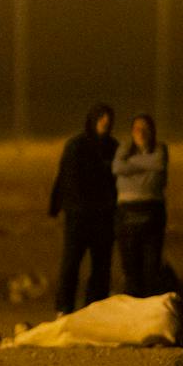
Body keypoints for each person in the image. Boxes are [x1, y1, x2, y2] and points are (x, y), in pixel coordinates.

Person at [48, 103, 117, 313]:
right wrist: (58, 205)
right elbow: (65, 178)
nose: (105, 121)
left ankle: (95, 308)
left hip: (104, 217)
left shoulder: (113, 147)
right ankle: (64, 307)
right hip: (78, 215)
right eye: (101, 117)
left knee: (101, 265)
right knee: (71, 263)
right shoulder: (76, 145)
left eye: (108, 118)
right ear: (93, 120)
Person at [112, 114, 169, 297]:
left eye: (145, 128)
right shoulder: (124, 149)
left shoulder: (160, 149)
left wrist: (131, 166)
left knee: (151, 267)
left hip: (152, 210)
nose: (141, 133)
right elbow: (117, 167)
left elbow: (158, 164)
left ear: (152, 131)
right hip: (127, 212)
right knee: (131, 267)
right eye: (137, 128)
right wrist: (145, 167)